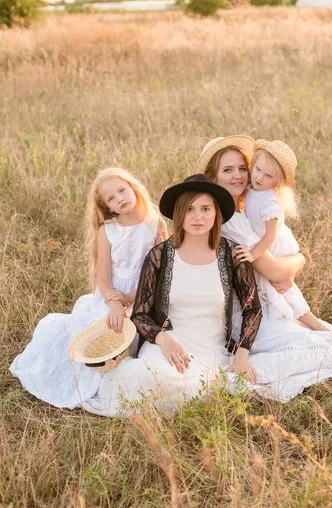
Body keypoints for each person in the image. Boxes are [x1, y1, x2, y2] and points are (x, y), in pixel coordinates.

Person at [83, 174, 263, 416]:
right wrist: (162, 339)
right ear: (179, 215)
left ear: (216, 214)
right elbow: (140, 315)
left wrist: (241, 358)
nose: (197, 216)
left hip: (210, 347)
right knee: (152, 379)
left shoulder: (233, 255)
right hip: (166, 343)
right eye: (189, 209)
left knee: (193, 388)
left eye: (205, 208)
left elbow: (253, 308)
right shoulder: (160, 256)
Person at [195, 136, 332, 402]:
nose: (238, 176)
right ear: (213, 176)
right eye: (227, 170)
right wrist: (299, 260)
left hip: (263, 302)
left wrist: (298, 260)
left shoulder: (244, 206)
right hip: (245, 314)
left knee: (327, 337)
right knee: (324, 348)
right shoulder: (228, 220)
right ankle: (234, 377)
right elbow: (277, 273)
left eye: (242, 168)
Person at [10, 168, 167, 409]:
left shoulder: (155, 225)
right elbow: (102, 278)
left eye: (122, 190)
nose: (119, 199)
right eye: (111, 199)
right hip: (111, 295)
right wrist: (116, 302)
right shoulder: (109, 230)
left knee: (130, 339)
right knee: (100, 334)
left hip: (145, 295)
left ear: (133, 187)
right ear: (108, 207)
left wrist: (131, 298)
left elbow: (158, 275)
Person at [242, 139, 328, 332]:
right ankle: (293, 322)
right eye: (257, 170)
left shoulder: (270, 201)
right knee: (277, 290)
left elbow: (271, 235)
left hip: (273, 246)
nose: (260, 178)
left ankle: (317, 327)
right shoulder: (252, 190)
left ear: (277, 181)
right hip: (263, 243)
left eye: (268, 175)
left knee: (285, 289)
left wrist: (254, 254)